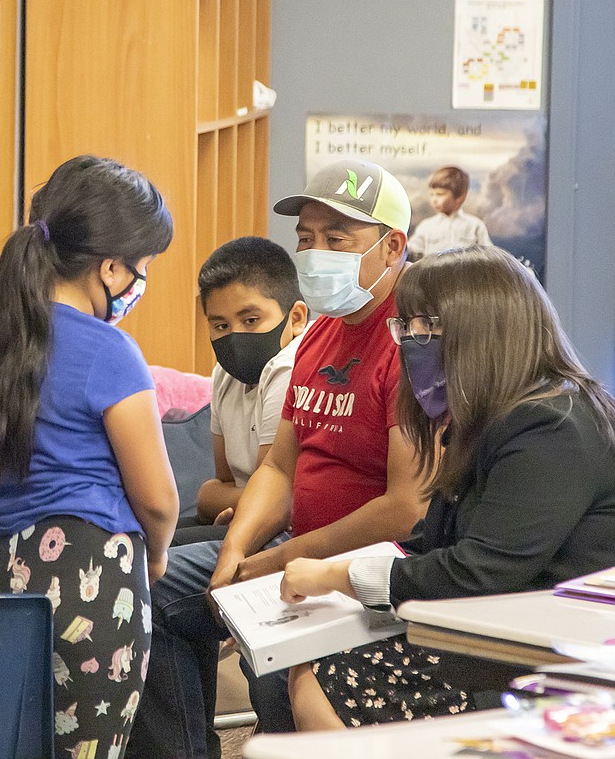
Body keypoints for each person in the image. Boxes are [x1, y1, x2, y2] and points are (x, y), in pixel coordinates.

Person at [126, 159, 428, 758]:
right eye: (306, 239)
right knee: (149, 591)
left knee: (281, 686)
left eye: (335, 240)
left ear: (392, 246)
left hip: (366, 566)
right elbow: (278, 468)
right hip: (288, 546)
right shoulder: (319, 333)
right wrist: (238, 549)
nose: (314, 254)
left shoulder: (414, 343)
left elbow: (405, 509)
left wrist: (275, 561)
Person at [281, 245, 615, 729]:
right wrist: (336, 575)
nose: (411, 343)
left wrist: (340, 576)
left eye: (427, 328)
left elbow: (483, 570)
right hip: (492, 627)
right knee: (301, 659)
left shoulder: (552, 424)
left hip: (546, 655)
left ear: (484, 333)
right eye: (408, 327)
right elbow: (437, 538)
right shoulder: (494, 416)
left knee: (325, 680)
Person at [0, 155, 179, 758]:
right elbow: (156, 498)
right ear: (109, 267)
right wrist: (155, 559)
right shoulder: (111, 352)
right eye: (142, 268)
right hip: (94, 579)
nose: (139, 284)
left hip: (0, 574)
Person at [171, 237, 308, 547]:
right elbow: (225, 480)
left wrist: (211, 496)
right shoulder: (225, 374)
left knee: (155, 564)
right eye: (220, 326)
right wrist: (213, 496)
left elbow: (270, 504)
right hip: (236, 518)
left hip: (282, 534)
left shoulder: (290, 367)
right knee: (142, 542)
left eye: (250, 320)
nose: (234, 337)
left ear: (296, 318)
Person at [409, 166, 492, 258]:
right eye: (432, 195)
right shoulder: (426, 226)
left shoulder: (475, 225)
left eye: (440, 194)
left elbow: (488, 256)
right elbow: (412, 250)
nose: (434, 200)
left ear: (460, 197)